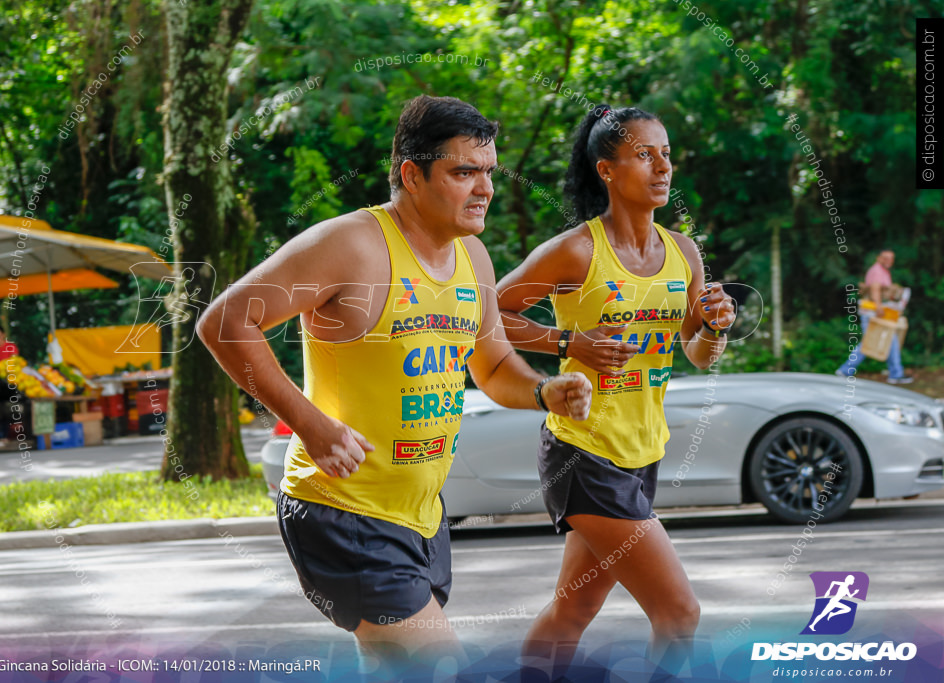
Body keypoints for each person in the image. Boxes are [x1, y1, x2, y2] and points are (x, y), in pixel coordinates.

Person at [195, 95, 592, 673]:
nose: (483, 188)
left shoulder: (472, 259)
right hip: (344, 509)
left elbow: (494, 364)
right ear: (411, 173)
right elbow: (225, 321)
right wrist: (311, 425)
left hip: (423, 517)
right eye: (463, 172)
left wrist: (542, 391)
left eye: (488, 172)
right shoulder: (352, 244)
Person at [496, 104, 736, 676]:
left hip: (641, 451)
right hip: (583, 451)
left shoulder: (683, 252)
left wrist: (713, 327)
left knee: (574, 608)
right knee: (679, 613)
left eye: (667, 154)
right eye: (644, 154)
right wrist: (566, 340)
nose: (662, 167)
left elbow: (697, 354)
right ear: (607, 170)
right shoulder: (577, 250)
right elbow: (487, 312)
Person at [836, 249, 913, 384]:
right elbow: (875, 289)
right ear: (879, 258)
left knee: (890, 340)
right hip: (873, 312)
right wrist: (878, 306)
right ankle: (845, 370)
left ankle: (896, 373)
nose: (889, 261)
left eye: (891, 258)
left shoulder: (884, 271)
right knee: (869, 343)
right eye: (886, 258)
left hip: (878, 311)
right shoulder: (877, 270)